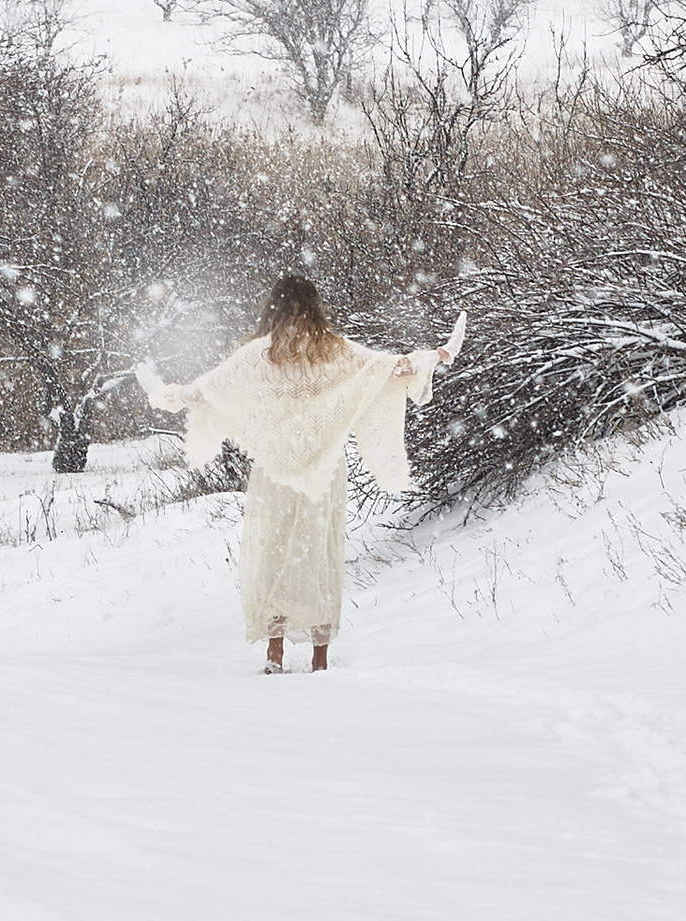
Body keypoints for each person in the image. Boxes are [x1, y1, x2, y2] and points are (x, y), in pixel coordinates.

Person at [134, 272, 458, 671]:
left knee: (274, 551)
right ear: (314, 307)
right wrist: (436, 355)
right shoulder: (334, 351)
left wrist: (162, 393)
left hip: (275, 468)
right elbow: (389, 369)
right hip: (323, 469)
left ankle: (275, 650)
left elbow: (206, 390)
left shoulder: (258, 354)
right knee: (319, 553)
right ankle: (319, 655)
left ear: (273, 307)